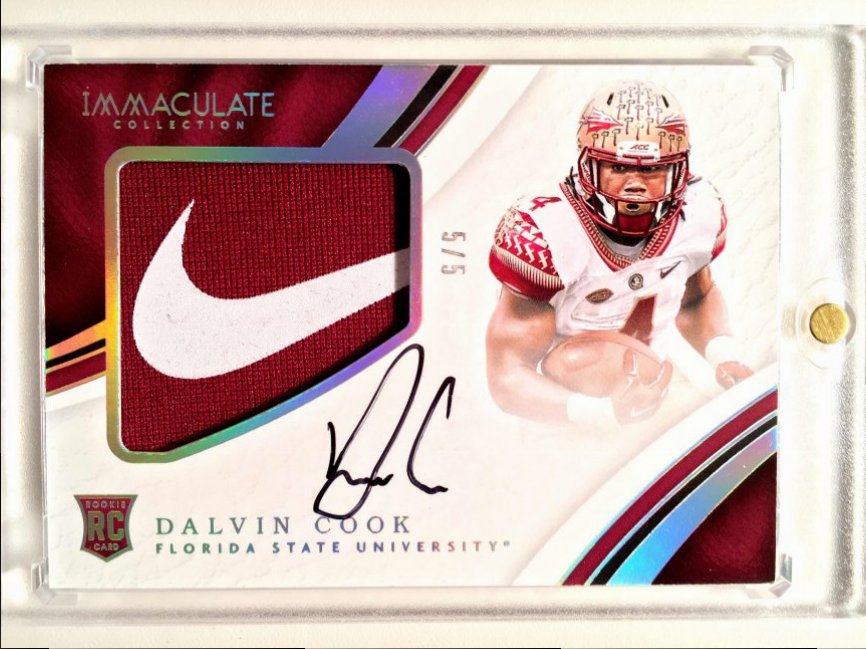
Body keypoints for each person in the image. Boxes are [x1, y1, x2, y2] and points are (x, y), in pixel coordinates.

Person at [486, 80, 753, 426]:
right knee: (582, 358)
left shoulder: (698, 211)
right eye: (620, 167)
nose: (635, 184)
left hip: (656, 384)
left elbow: (696, 299)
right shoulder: (547, 231)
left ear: (678, 170)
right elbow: (508, 376)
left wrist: (723, 355)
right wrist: (601, 413)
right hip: (562, 408)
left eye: (651, 169)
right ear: (588, 165)